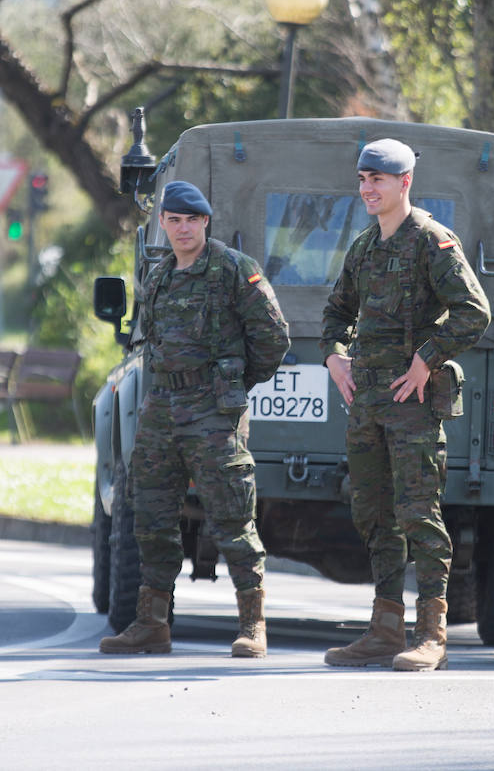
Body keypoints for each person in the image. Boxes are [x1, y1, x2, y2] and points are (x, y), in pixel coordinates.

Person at [320, 138, 491, 672]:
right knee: (373, 514)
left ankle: (431, 633)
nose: (369, 188)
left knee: (418, 512)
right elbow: (335, 310)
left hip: (412, 403)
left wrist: (427, 358)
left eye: (379, 179)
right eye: (363, 180)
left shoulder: (431, 242)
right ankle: (385, 627)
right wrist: (334, 357)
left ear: (405, 183)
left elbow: (474, 311)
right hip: (367, 403)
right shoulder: (365, 247)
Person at [99, 180, 290, 658]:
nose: (183, 229)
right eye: (174, 220)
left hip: (212, 414)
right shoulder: (160, 275)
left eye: (192, 220)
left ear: (206, 222)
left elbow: (274, 337)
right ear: (162, 224)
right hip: (161, 412)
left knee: (231, 519)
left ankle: (252, 625)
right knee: (151, 518)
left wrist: (234, 383)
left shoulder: (231, 269)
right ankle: (152, 623)